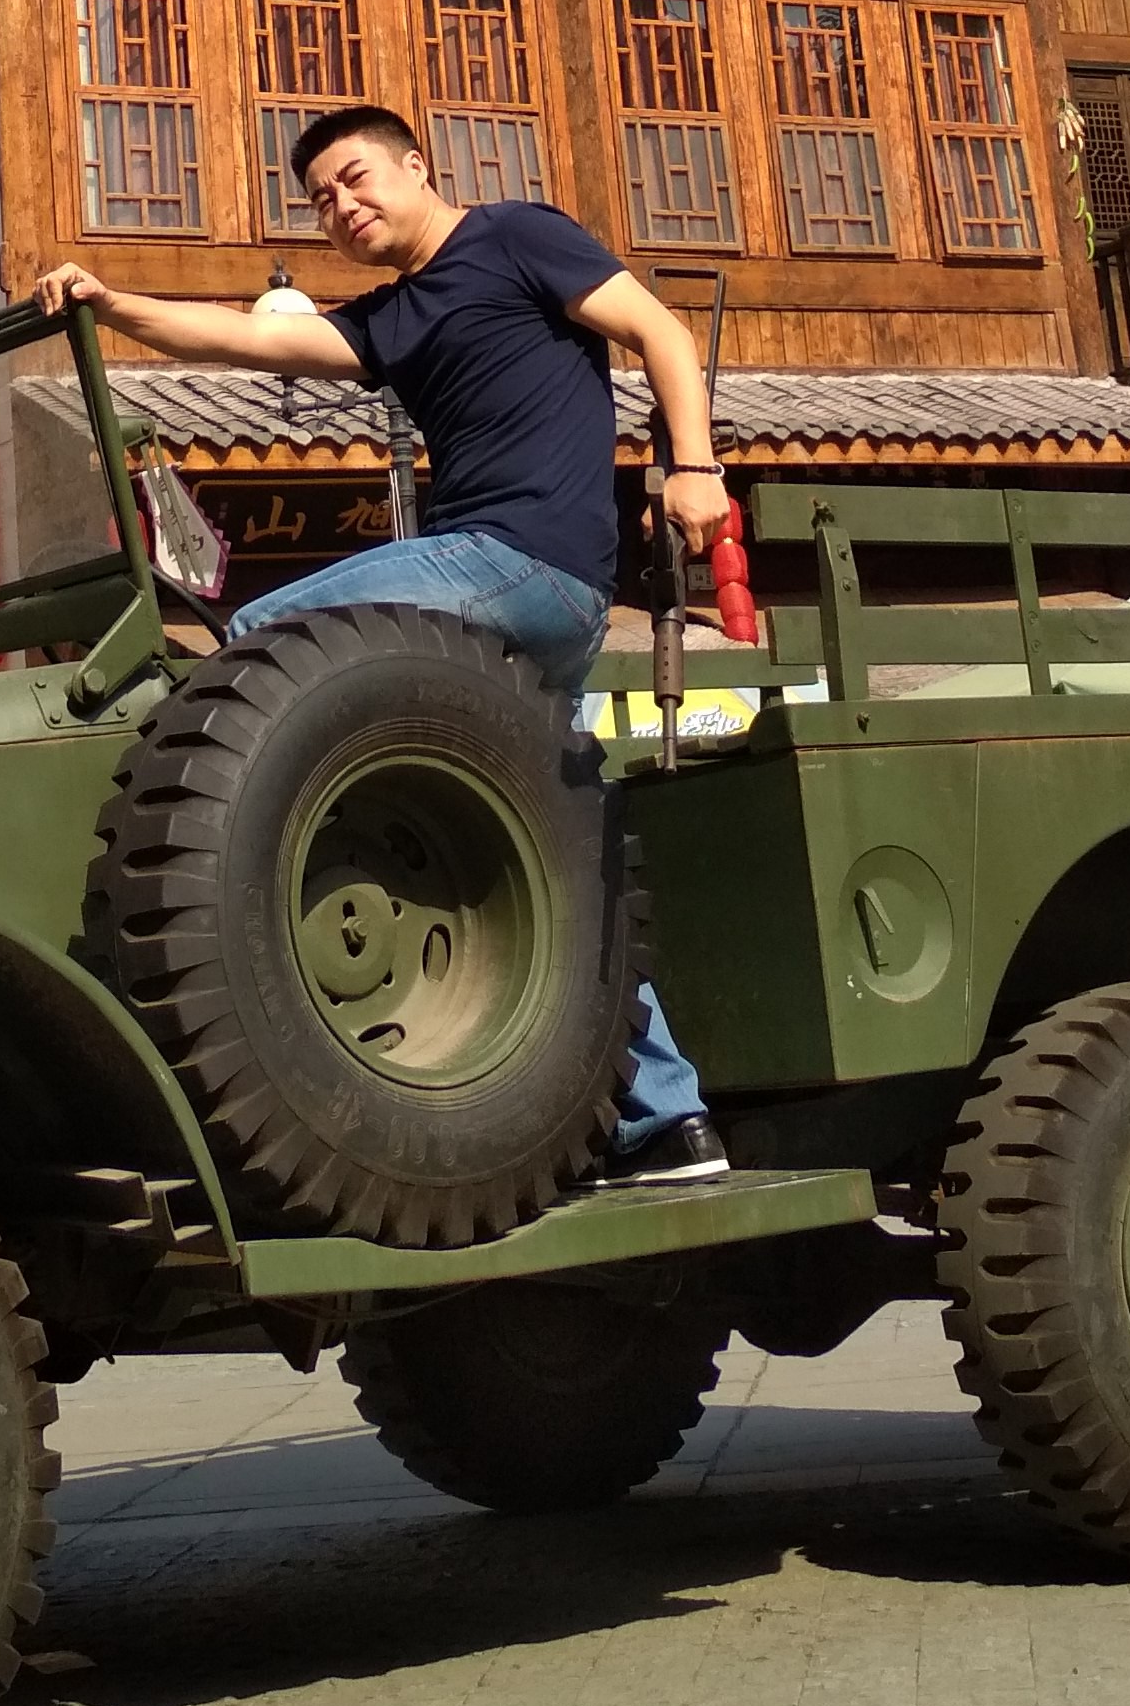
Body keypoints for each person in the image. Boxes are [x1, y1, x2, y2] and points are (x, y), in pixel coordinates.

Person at [39, 103, 734, 1185]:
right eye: (321, 199)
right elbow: (253, 335)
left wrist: (695, 464)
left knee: (271, 637)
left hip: (523, 560)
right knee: (555, 860)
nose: (344, 205)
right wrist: (113, 301)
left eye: (357, 178)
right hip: (500, 590)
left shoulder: (515, 234)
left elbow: (662, 332)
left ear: (417, 166)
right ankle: (670, 1123)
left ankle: (262, 925)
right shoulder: (391, 319)